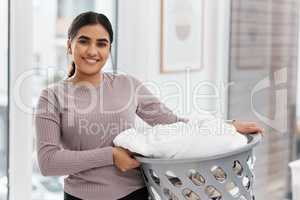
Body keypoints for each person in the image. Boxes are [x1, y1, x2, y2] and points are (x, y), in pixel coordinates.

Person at [34, 11, 263, 200]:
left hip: (135, 194)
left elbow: (174, 125)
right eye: (84, 41)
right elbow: (48, 163)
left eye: (101, 44)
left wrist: (227, 126)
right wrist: (111, 155)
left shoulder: (128, 85)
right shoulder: (51, 97)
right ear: (69, 45)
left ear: (109, 50)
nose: (92, 51)